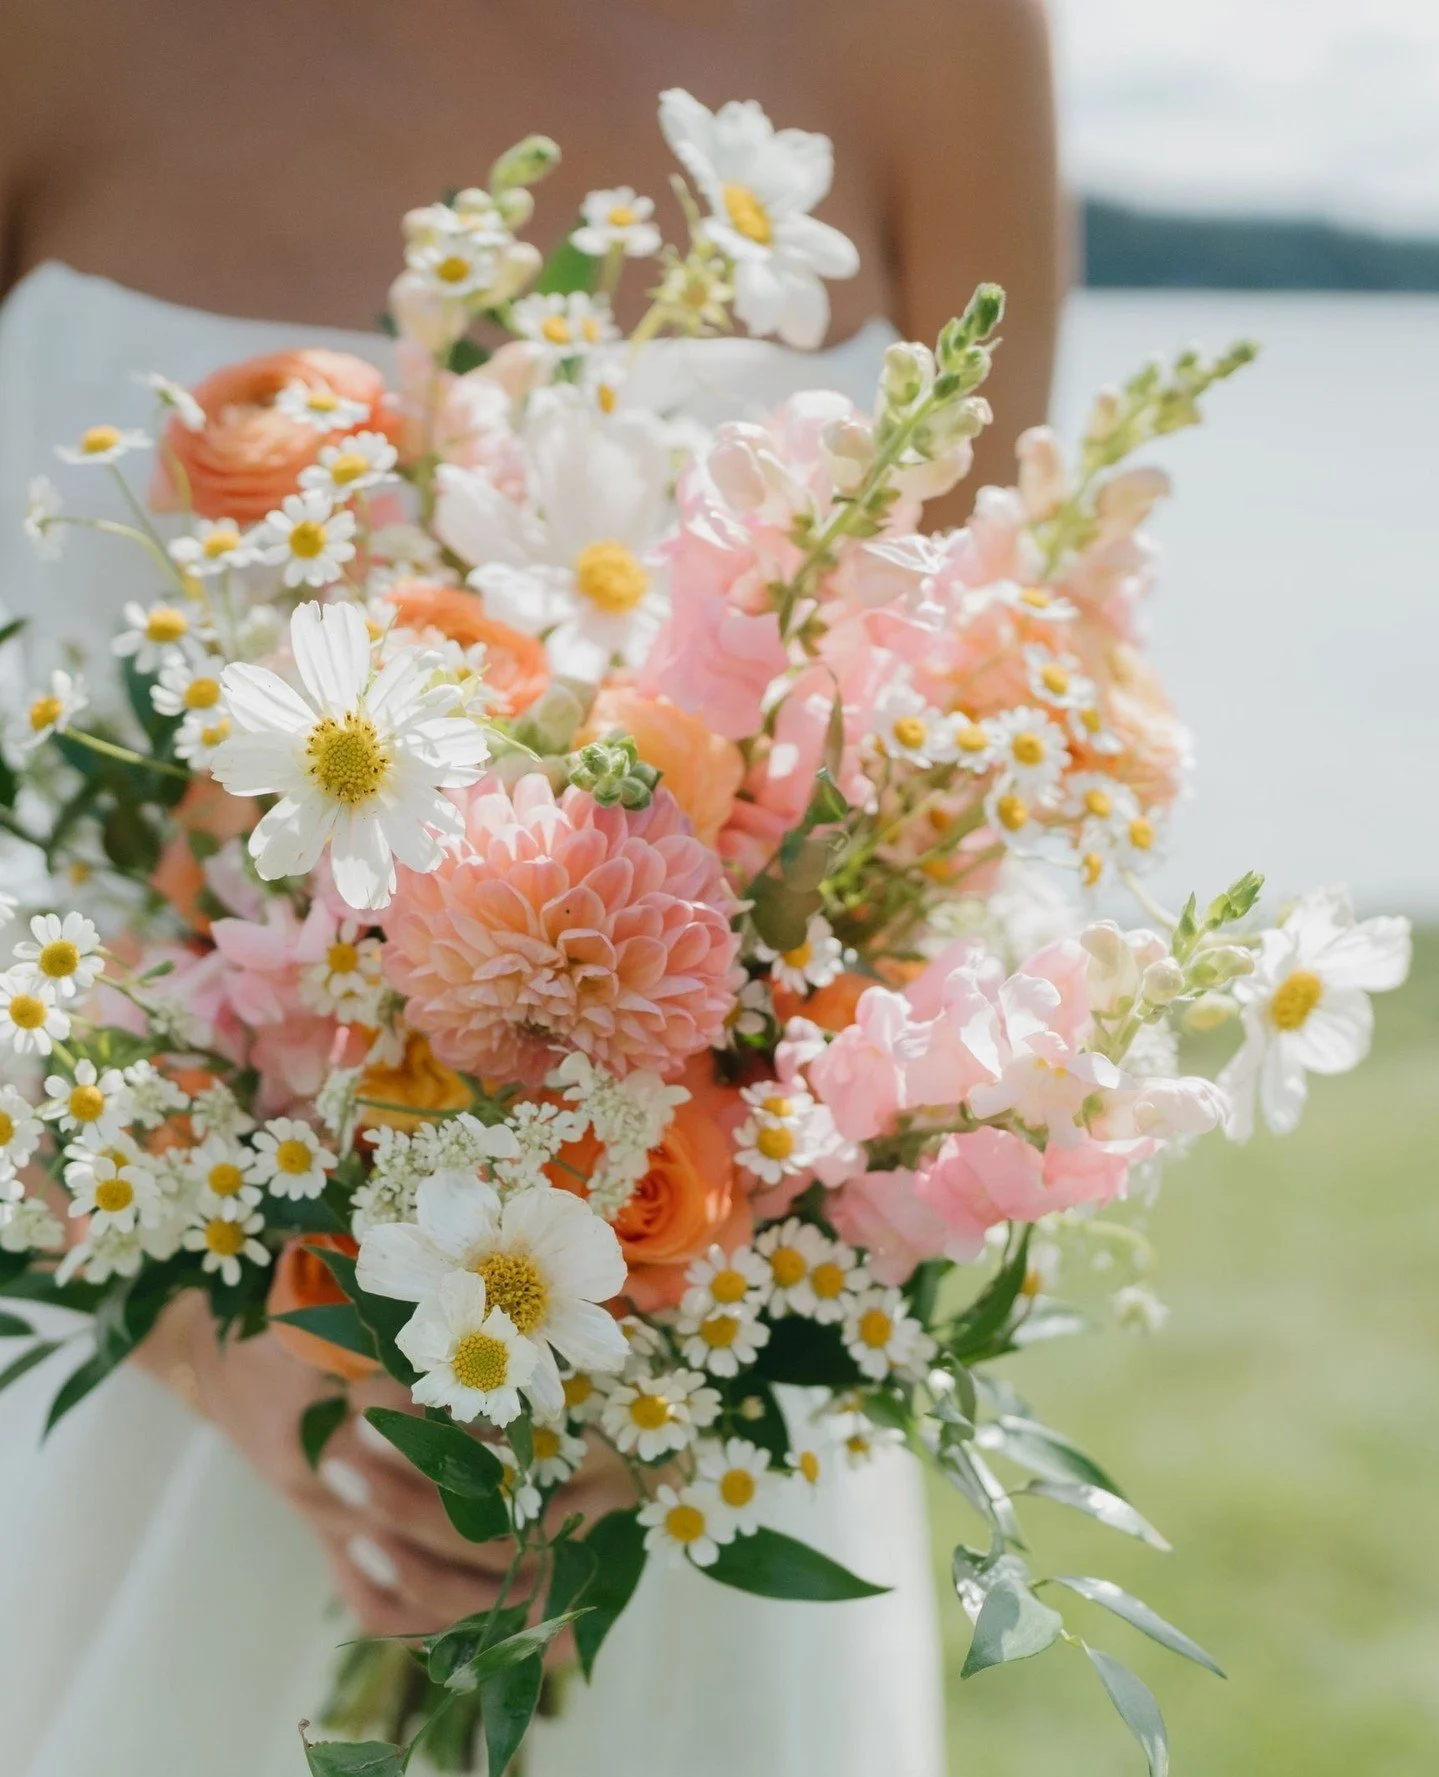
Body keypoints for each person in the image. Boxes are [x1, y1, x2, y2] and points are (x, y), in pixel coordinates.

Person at [0, 3, 1061, 1772]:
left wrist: (689, 1322)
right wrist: (196, 1321)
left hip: (688, 1437)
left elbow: (968, 722)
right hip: (137, 1322)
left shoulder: (940, 37)